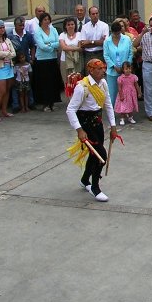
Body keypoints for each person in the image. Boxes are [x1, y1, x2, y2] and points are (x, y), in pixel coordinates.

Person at [66, 59, 118, 202]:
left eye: (103, 68)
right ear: (91, 70)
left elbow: (107, 105)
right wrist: (79, 130)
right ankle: (95, 187)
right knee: (101, 156)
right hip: (86, 125)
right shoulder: (82, 87)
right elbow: (70, 110)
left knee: (94, 154)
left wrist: (113, 126)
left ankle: (84, 180)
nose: (103, 71)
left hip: (97, 123)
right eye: (99, 69)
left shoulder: (103, 84)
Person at [33, 12, 63, 112]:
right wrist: (52, 46)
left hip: (52, 59)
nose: (47, 21)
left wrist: (49, 45)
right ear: (41, 21)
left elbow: (58, 42)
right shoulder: (38, 32)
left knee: (53, 81)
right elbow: (41, 46)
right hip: (42, 60)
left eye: (48, 19)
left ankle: (52, 102)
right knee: (44, 82)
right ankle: (45, 104)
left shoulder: (53, 29)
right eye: (44, 20)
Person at [58, 17, 84, 85]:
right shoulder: (62, 35)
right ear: (65, 26)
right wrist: (75, 48)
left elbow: (80, 48)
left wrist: (68, 47)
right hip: (65, 61)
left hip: (77, 61)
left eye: (72, 24)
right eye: (68, 24)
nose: (70, 26)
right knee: (67, 83)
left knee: (77, 82)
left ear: (75, 25)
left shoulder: (79, 34)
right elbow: (63, 48)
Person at [114, 61, 141, 126]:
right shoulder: (120, 78)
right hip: (124, 94)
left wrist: (139, 92)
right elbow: (119, 88)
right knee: (123, 107)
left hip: (131, 94)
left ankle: (130, 117)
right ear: (123, 70)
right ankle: (122, 118)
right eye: (126, 69)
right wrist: (121, 95)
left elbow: (136, 85)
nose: (128, 70)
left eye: (129, 69)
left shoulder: (133, 77)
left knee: (130, 106)